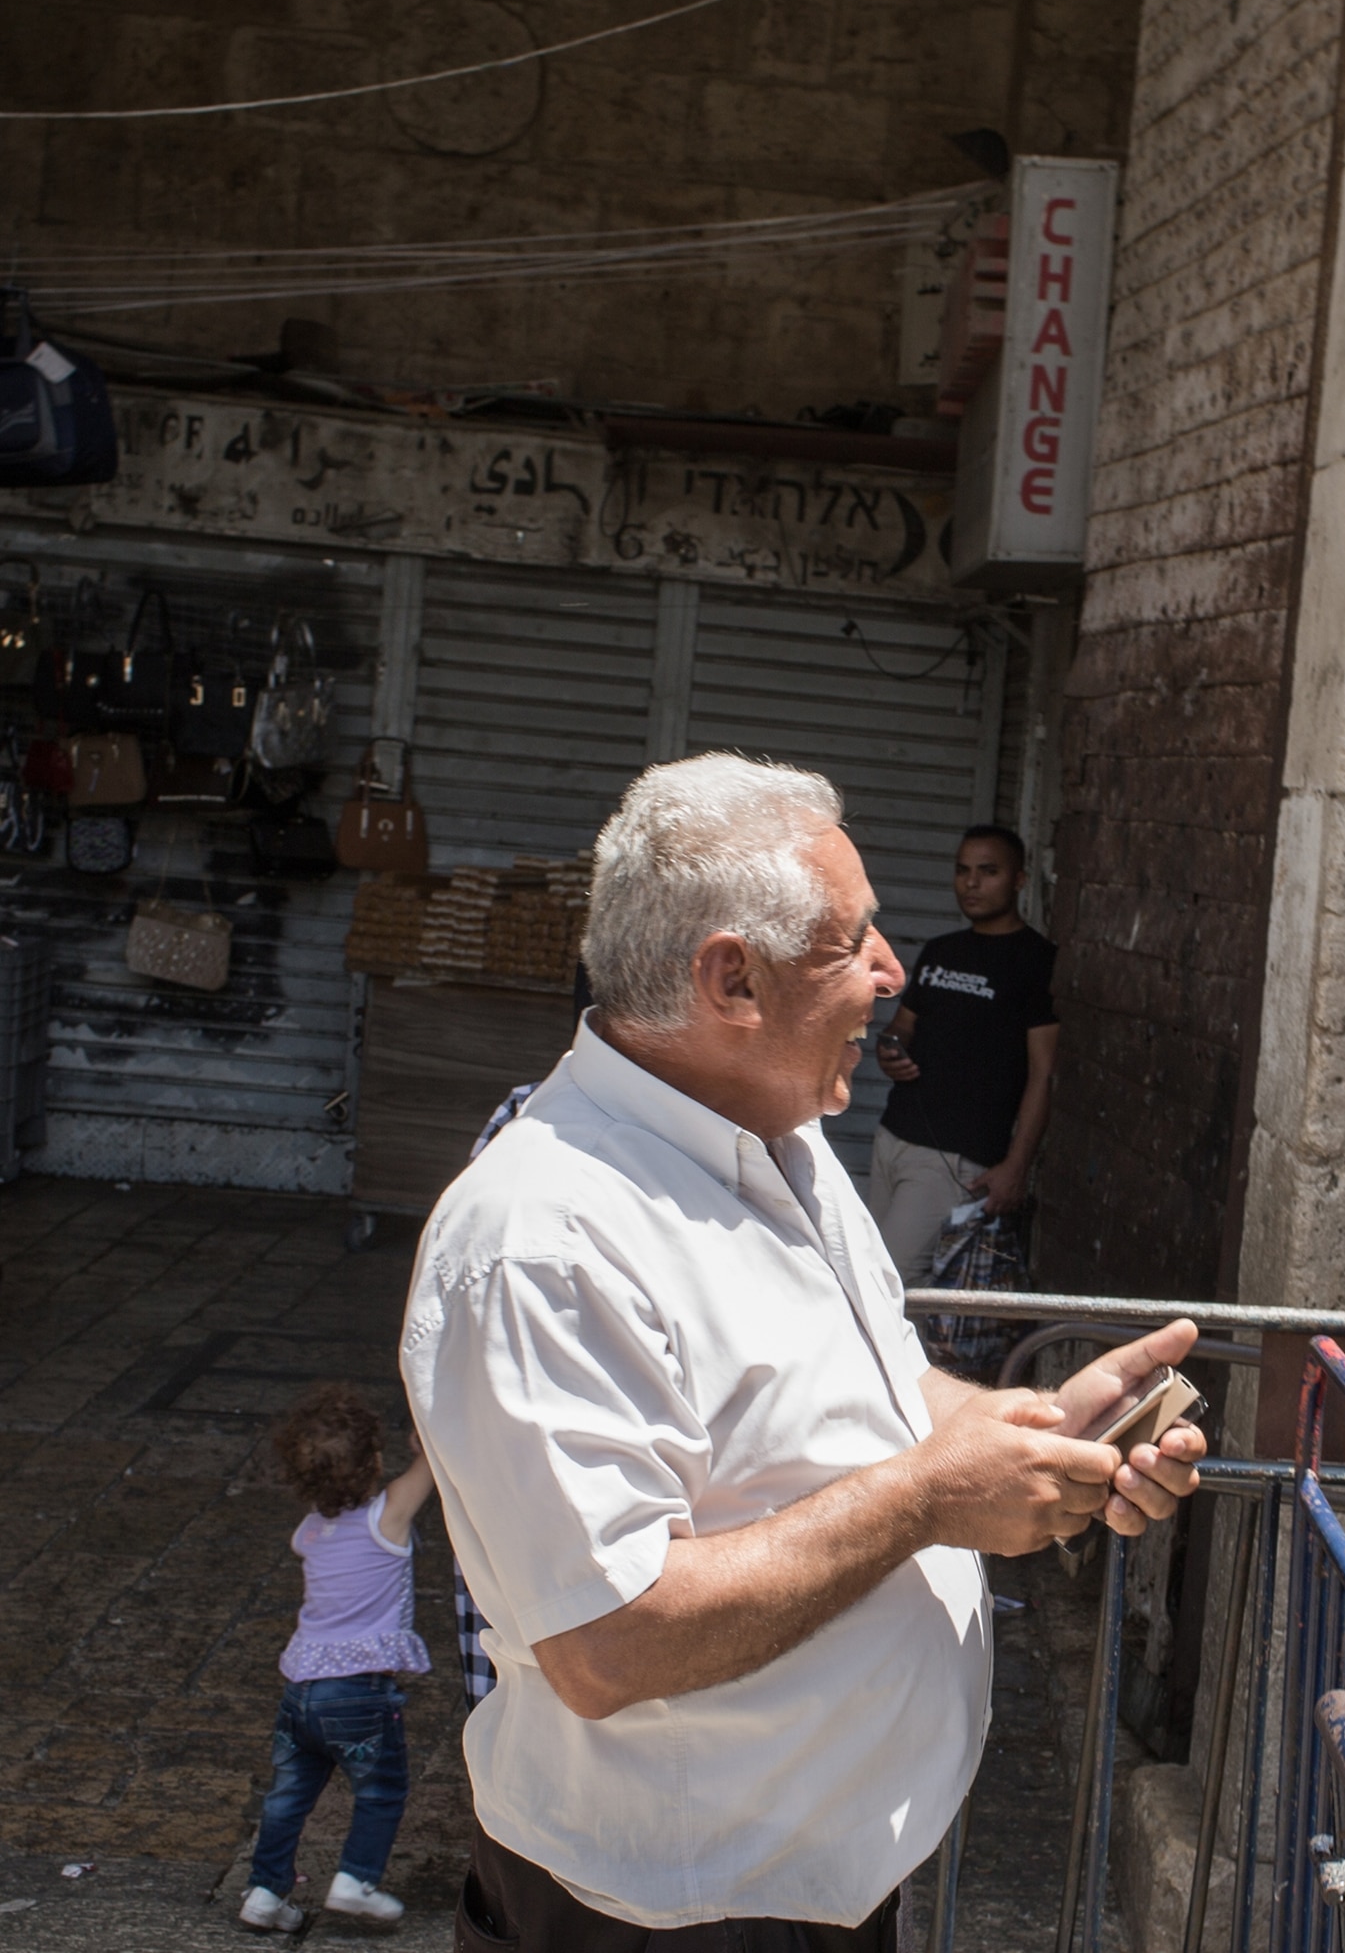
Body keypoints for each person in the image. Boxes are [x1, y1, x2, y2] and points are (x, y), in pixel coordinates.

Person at [404, 753, 1204, 1949]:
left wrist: (1016, 1431)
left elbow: (865, 1375)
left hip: (807, 1882)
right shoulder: (540, 1241)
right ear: (731, 978)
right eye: (853, 940)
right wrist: (932, 1498)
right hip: (672, 1911)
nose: (891, 970)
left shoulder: (777, 1136)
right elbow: (609, 1637)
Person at [238, 1383, 438, 1933]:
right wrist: (426, 1439)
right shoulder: (387, 1519)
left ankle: (264, 1891)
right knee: (381, 1790)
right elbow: (437, 1465)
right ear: (374, 1462)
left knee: (287, 1799)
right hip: (358, 1694)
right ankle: (356, 1880)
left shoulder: (310, 1532)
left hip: (300, 1694)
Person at [869, 822, 1060, 1280]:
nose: (971, 883)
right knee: (868, 1272)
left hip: (954, 1159)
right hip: (892, 1139)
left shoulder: (1036, 961)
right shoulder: (941, 951)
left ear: (1018, 879)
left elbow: (1044, 1072)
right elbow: (900, 1028)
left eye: (988, 871)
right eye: (963, 870)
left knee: (891, 1283)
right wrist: (890, 1050)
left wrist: (1016, 1166)